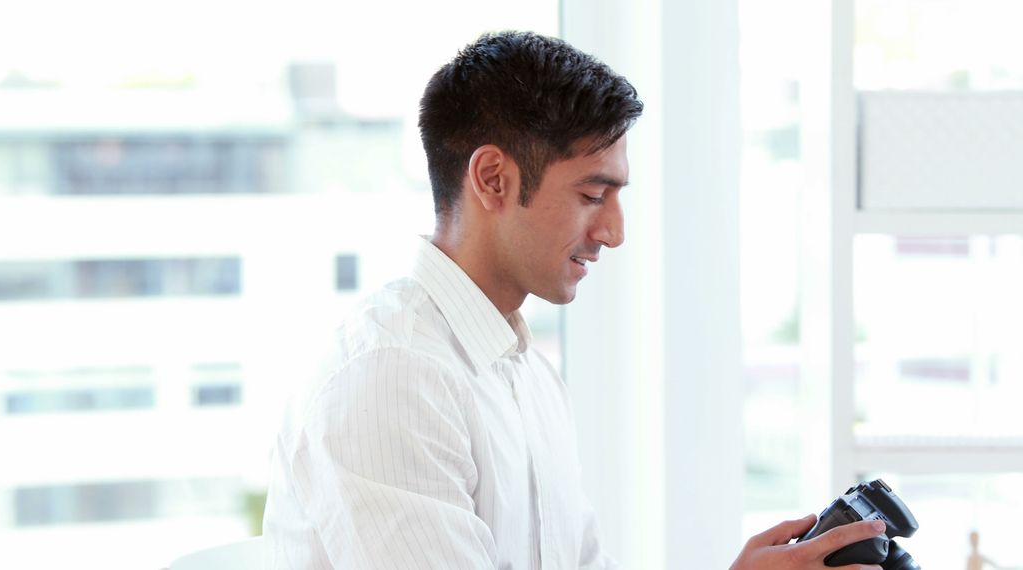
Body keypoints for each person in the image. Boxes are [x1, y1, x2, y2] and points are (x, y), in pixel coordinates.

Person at [263, 30, 886, 569]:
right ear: (493, 179)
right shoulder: (393, 377)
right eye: (593, 195)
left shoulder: (524, 371)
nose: (615, 232)